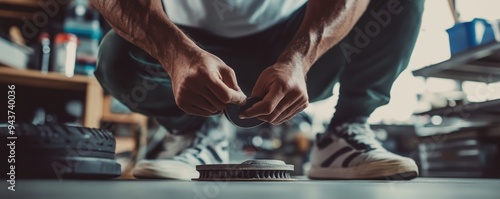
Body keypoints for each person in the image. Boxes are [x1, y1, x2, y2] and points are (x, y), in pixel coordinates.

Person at [90, 0, 424, 180]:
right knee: (116, 55)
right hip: (189, 43)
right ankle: (195, 135)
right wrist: (175, 54)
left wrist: (301, 58)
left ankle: (345, 132)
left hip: (298, 39)